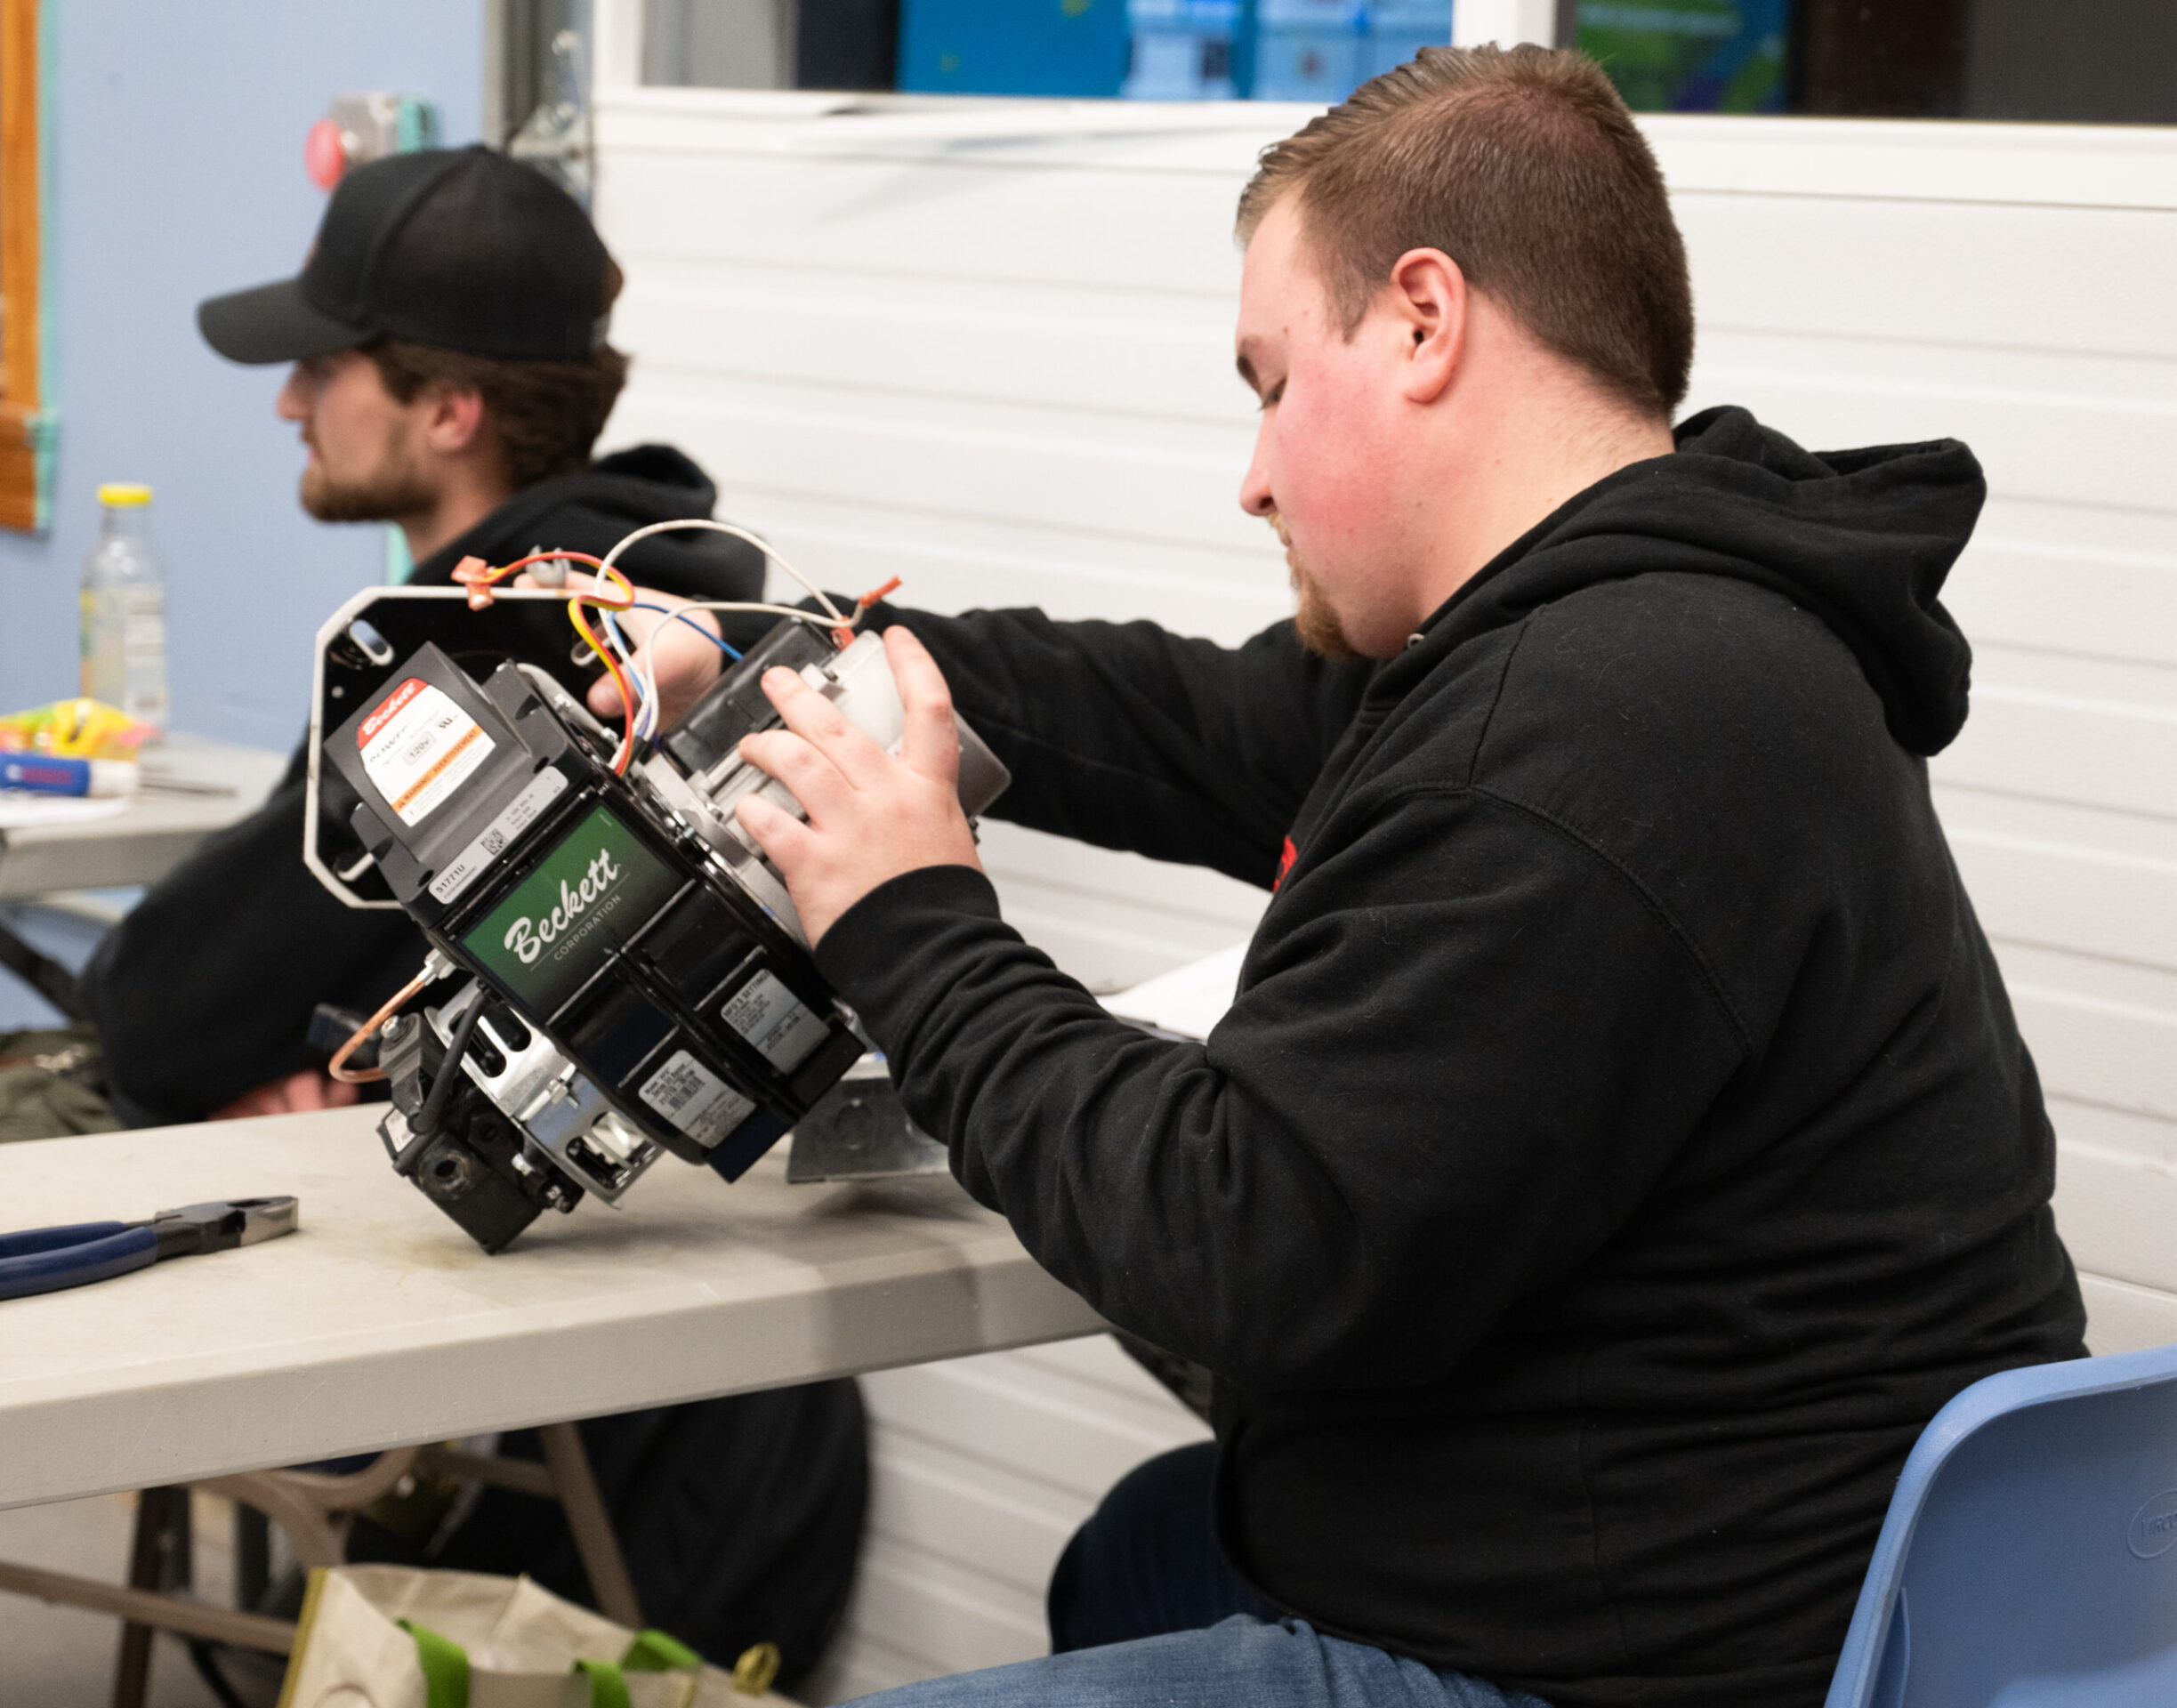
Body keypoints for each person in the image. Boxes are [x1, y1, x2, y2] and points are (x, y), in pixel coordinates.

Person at [620, 44, 2084, 1708]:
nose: (1250, 473)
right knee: (1146, 1549)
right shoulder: (1629, 634)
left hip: (1659, 1664)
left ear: (1421, 320)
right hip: (1676, 1566)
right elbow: (1183, 721)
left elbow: (1241, 1246)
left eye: (1265, 380)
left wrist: (911, 921)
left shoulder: (1612, 724)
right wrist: (809, 672)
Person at [77, 146, 864, 1686]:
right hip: (730, 1359)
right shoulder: (700, 591)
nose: (291, 404)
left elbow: (159, 1011)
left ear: (447, 412)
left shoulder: (473, 648)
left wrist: (256, 1044)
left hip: (585, 1360)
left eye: (321, 365)